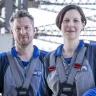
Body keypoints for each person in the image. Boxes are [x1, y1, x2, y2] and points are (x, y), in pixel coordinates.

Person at [40, 4, 96, 96]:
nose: (70, 24)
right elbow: (43, 92)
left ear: (83, 24)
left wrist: (92, 93)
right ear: (60, 24)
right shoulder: (48, 59)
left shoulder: (93, 52)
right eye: (66, 20)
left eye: (76, 21)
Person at [0, 10, 48, 96]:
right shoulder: (2, 60)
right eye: (18, 29)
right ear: (12, 33)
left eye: (26, 27)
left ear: (34, 31)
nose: (23, 32)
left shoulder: (47, 59)